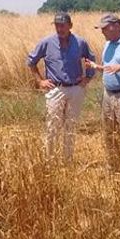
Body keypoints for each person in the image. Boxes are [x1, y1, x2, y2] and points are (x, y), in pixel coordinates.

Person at [27, 11, 96, 162]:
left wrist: (88, 78)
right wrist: (40, 81)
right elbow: (31, 62)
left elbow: (91, 60)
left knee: (71, 125)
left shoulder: (80, 42)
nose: (59, 29)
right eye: (57, 26)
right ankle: (49, 161)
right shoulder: (46, 42)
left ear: (70, 25)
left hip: (76, 88)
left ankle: (67, 161)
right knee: (52, 125)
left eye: (62, 25)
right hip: (55, 89)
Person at [86, 13, 120, 172]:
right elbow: (109, 67)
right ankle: (114, 166)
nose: (102, 32)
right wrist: (95, 67)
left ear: (116, 26)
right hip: (108, 95)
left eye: (104, 28)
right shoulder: (108, 44)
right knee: (109, 133)